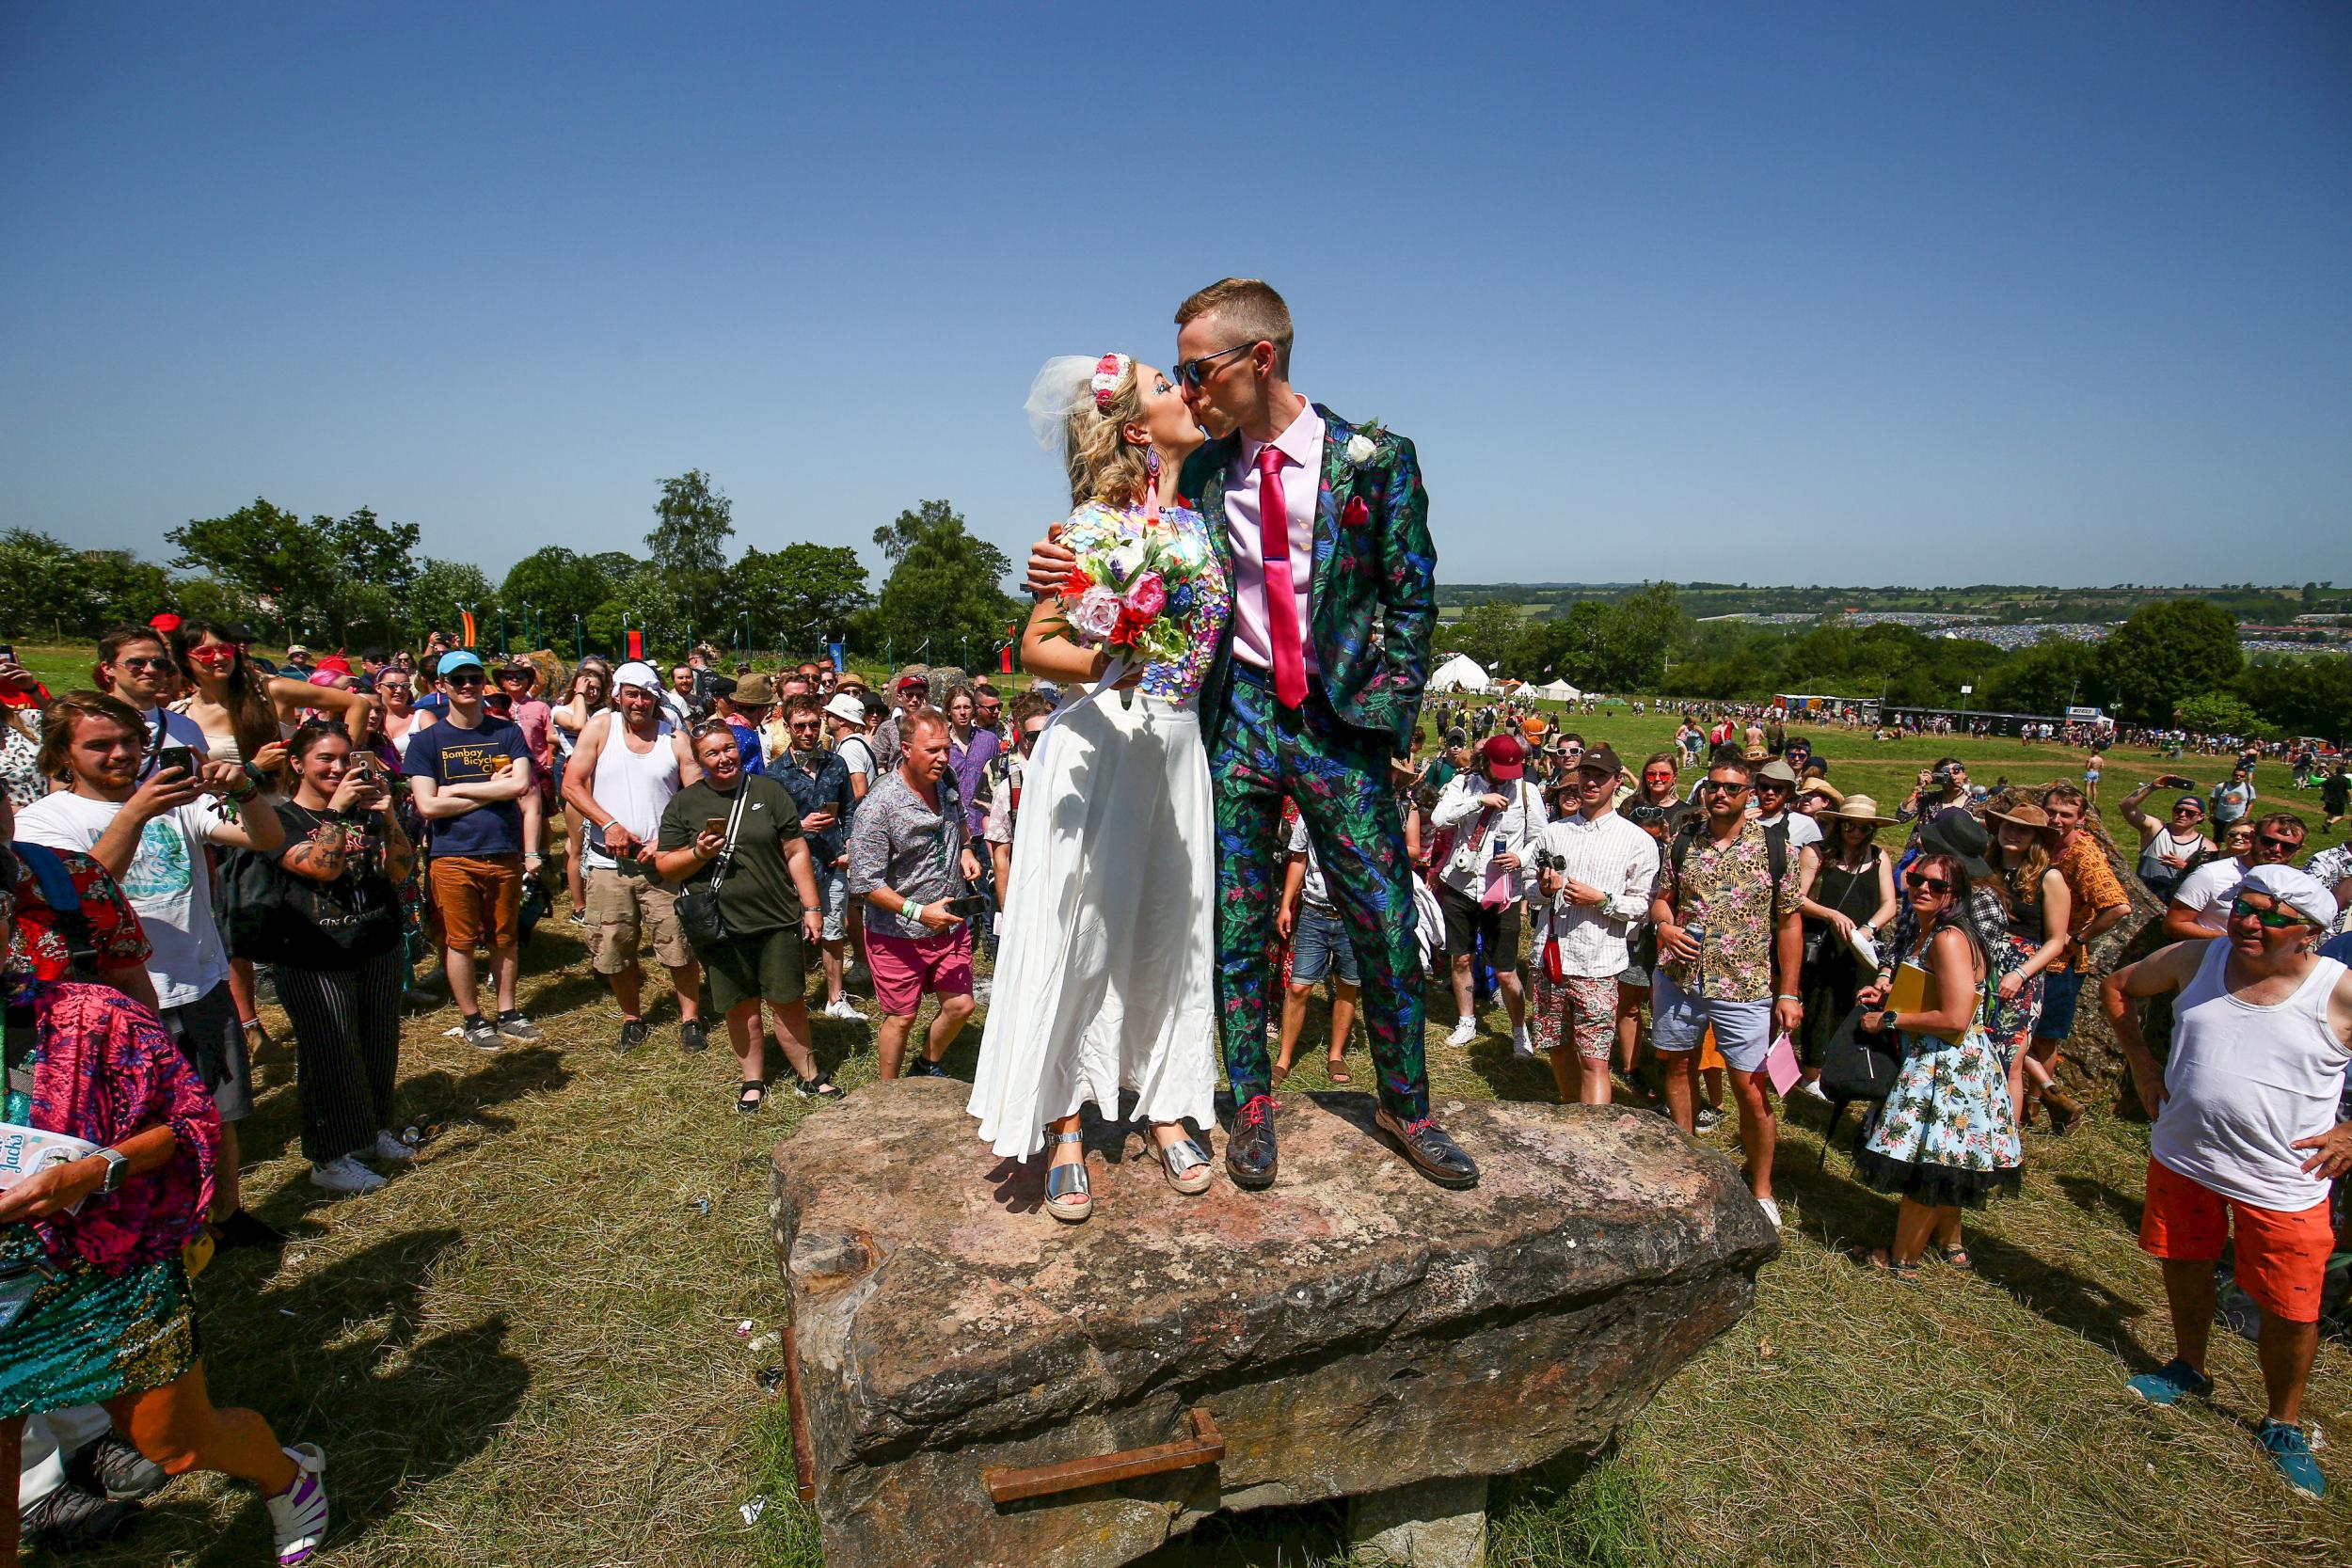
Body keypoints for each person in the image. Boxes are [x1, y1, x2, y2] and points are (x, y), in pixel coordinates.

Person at [1026, 278, 1474, 1191]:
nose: (1187, 388)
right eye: (1178, 374)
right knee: (1234, 915)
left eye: (1198, 369)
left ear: (1258, 358)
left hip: (1339, 724)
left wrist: (1388, 714)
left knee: (1383, 916)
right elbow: (1123, 512)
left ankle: (1407, 1105)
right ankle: (1251, 1104)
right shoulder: (1200, 466)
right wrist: (1061, 566)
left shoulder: (1374, 459)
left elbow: (1412, 595)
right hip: (1237, 716)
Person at [0, 847, 331, 1565]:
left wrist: (89, 1171)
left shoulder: (90, 1018)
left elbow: (185, 1128)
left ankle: (286, 1474)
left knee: (174, 1441)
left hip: (108, 1281)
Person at [965, 354, 1225, 1220]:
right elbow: (1038, 646)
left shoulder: (1202, 519)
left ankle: (1164, 1100)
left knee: (1171, 927)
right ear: (1131, 428)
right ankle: (1065, 1120)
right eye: (1163, 386)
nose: (1185, 391)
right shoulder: (1085, 529)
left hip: (1180, 748)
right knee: (1079, 932)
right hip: (1099, 742)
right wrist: (1109, 658)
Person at [2101, 864, 2352, 1500]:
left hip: (2285, 1180)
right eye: (2245, 904)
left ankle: (2283, 1421)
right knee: (2184, 1261)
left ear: (2309, 933)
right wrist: (2141, 1062)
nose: (2247, 920)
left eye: (2269, 914)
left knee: (2292, 1309)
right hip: (2186, 1156)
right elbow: (2119, 986)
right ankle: (2189, 1366)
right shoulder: (2198, 956)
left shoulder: (2336, 990)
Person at [16, 692, 286, 1249]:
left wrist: (243, 790)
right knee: (137, 1126)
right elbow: (84, 897)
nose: (120, 755)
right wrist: (137, 813)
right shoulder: (43, 820)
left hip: (201, 979)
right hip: (119, 1001)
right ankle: (159, 1230)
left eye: (131, 743)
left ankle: (226, 1213)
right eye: (100, 745)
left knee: (219, 1109)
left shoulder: (180, 802)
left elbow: (268, 839)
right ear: (63, 754)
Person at [237, 724, 418, 1194]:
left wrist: (390, 817)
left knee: (379, 1044)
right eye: (325, 759)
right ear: (297, 763)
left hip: (376, 943)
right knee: (331, 1054)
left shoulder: (365, 812)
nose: (339, 769)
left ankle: (373, 1131)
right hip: (312, 954)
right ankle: (328, 1156)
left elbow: (400, 870)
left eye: (345, 758)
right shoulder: (277, 818)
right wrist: (335, 812)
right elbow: (321, 866)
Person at [1850, 850, 2025, 1275]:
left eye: (1938, 885)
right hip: (1946, 1061)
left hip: (1947, 1068)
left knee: (1927, 1164)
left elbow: (1955, 1017)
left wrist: (1887, 1018)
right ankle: (1951, 1243)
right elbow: (1937, 996)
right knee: (1949, 1160)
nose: (1923, 888)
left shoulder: (1948, 938)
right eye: (1916, 879)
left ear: (1956, 895)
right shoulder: (1933, 932)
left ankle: (1901, 1258)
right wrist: (1890, 997)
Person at [1648, 752, 1802, 1227]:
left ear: (1748, 793)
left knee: (1751, 1088)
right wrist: (1664, 928)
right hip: (1680, 979)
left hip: (1745, 984)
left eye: (1731, 788)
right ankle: (1689, 1161)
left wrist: (1789, 992)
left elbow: (1789, 922)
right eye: (1713, 785)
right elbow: (1661, 899)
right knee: (1677, 1067)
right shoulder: (1683, 842)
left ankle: (1761, 1189)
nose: (1719, 794)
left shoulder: (1778, 850)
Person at [652, 722, 832, 1110]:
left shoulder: (768, 791)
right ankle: (752, 1081)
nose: (724, 758)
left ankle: (809, 1075)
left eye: (729, 749)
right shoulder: (686, 804)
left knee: (788, 1000)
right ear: (698, 762)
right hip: (721, 925)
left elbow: (796, 851)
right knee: (740, 1006)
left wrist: (812, 907)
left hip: (777, 917)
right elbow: (666, 866)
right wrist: (698, 853)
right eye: (712, 753)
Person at [564, 661, 707, 1054]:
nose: (639, 702)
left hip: (663, 864)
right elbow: (572, 784)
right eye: (632, 693)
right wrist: (608, 823)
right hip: (609, 864)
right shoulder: (600, 728)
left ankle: (690, 1017)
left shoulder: (674, 739)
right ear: (618, 694)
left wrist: (666, 838)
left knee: (678, 945)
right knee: (614, 946)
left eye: (646, 694)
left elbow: (694, 799)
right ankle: (632, 1017)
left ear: (657, 697)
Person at [405, 651, 543, 1050]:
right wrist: (489, 790)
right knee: (459, 941)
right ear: (441, 686)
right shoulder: (427, 742)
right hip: (451, 855)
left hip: (502, 850)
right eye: (458, 679)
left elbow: (518, 786)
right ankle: (472, 1018)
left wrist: (456, 789)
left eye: (474, 678)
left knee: (505, 938)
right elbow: (427, 806)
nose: (467, 685)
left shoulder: (506, 732)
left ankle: (508, 1011)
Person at [850, 710, 981, 1082]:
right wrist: (919, 912)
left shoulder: (946, 781)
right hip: (897, 935)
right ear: (905, 749)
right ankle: (886, 1094)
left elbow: (958, 821)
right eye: (933, 750)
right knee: (902, 1017)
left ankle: (926, 1063)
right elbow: (865, 882)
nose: (944, 758)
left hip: (951, 923)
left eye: (946, 749)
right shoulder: (879, 806)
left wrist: (967, 850)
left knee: (960, 1006)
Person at [1526, 746, 1660, 1106]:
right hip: (1550, 960)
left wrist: (1601, 899)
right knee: (1556, 1046)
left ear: (1617, 782)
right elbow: (1525, 886)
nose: (1590, 782)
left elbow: (1643, 906)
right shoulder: (1555, 832)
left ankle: (1596, 1138)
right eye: (1585, 774)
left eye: (1600, 776)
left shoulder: (1637, 841)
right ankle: (1572, 1117)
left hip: (1598, 965)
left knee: (1595, 1060)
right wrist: (1541, 888)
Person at [1430, 735, 1547, 1053]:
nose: (1506, 778)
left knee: (1506, 970)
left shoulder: (1527, 791)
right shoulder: (1463, 785)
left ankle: (1520, 1031)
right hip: (1461, 884)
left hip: (1503, 890)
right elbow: (1438, 820)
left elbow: (1541, 837)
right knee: (1461, 958)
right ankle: (1466, 1020)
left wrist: (1521, 858)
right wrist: (1478, 802)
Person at [2024, 782, 2131, 1124]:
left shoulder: (2084, 855)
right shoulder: (2040, 843)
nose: (2057, 819)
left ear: (2081, 820)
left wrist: (2078, 937)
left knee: (2043, 1038)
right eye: (2052, 811)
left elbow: (2118, 907)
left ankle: (2036, 1105)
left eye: (2066, 814)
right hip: (2026, 952)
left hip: (2060, 963)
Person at [1790, 795, 1897, 1099]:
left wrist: (1869, 928)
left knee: (1851, 1006)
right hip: (1823, 942)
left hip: (1859, 946)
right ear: (1838, 824)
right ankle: (1811, 1073)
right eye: (1850, 825)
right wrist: (1831, 914)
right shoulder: (1817, 853)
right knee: (1818, 1007)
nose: (1856, 833)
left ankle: (1840, 1069)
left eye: (1865, 828)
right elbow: (1797, 897)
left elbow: (1890, 903)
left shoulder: (1878, 857)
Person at [1981, 800, 2077, 1126]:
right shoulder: (1984, 867)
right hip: (1980, 965)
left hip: (2020, 973)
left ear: (2037, 838)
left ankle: (2004, 1140)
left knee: (2010, 1060)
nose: (2014, 833)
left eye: (2024, 829)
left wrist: (2020, 974)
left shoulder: (2049, 878)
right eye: (2009, 826)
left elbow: (2056, 941)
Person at [773, 697, 858, 1022]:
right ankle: (793, 997)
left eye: (813, 725)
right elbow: (769, 825)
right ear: (787, 727)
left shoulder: (835, 764)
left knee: (835, 930)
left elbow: (849, 808)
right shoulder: (775, 775)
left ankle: (836, 998)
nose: (808, 732)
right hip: (793, 868)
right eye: (800, 726)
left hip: (833, 860)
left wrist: (849, 843)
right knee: (794, 933)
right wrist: (800, 826)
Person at [2166, 811, 2306, 941]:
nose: (2276, 850)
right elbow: (2174, 924)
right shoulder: (2210, 874)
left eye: (2288, 847)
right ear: (2253, 837)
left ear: (2299, 850)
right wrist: (2232, 939)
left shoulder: (2298, 884)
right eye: (2268, 842)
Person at [550, 664, 610, 919]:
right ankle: (578, 906)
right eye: (587, 686)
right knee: (576, 845)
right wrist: (580, 696)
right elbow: (578, 724)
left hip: (603, 780)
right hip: (576, 780)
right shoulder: (560, 711)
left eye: (596, 687)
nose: (592, 692)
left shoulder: (606, 713)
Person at [2121, 782, 2213, 903]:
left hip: (2172, 903)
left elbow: (2207, 883)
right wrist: (2151, 787)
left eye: (2190, 813)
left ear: (2201, 817)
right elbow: (2126, 806)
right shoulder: (2156, 828)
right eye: (2178, 810)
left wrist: (2185, 867)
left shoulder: (2207, 846)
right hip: (2138, 897)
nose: (2182, 815)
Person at [943, 686, 1000, 842]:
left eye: (967, 707)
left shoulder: (989, 740)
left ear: (973, 710)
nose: (962, 712)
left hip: (984, 825)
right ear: (949, 711)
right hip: (952, 826)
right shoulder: (941, 743)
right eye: (957, 707)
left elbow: (998, 781)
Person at [2211, 763, 2256, 831]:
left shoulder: (2249, 788)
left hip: (2237, 820)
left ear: (2245, 777)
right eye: (2236, 775)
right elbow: (2212, 801)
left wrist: (2245, 815)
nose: (2238, 777)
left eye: (2242, 776)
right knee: (2217, 840)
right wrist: (2212, 814)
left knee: (2233, 838)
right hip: (2220, 818)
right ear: (2232, 775)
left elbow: (2250, 803)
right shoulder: (2221, 786)